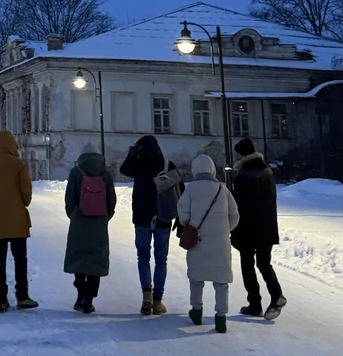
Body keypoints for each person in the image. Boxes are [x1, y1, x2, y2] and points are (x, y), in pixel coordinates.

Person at [0, 131, 38, 313]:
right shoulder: (19, 165)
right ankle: (23, 296)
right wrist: (20, 203)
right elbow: (26, 194)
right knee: (20, 259)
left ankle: (1, 299)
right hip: (17, 219)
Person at [178, 153, 240, 333]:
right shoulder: (222, 190)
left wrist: (190, 225)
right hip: (220, 243)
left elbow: (183, 215)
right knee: (221, 282)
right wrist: (223, 230)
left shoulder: (190, 189)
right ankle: (221, 317)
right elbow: (235, 215)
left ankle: (196, 311)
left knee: (197, 279)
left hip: (198, 241)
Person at [120, 135, 179, 316]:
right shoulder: (168, 165)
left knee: (143, 256)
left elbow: (124, 169)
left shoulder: (138, 164)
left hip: (141, 217)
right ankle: (158, 301)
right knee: (161, 259)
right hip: (163, 217)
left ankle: (146, 296)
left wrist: (131, 155)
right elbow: (179, 189)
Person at [231, 137, 286, 321]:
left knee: (247, 264)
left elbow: (239, 205)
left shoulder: (243, 176)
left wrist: (235, 229)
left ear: (242, 154)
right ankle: (276, 294)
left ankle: (255, 303)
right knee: (264, 263)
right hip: (267, 226)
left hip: (247, 228)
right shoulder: (267, 172)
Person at [63, 148, 116, 313]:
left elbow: (69, 198)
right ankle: (90, 299)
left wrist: (73, 214)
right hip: (99, 223)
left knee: (78, 257)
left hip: (79, 220)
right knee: (96, 260)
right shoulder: (105, 175)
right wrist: (105, 216)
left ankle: (81, 295)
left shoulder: (76, 173)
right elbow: (111, 200)